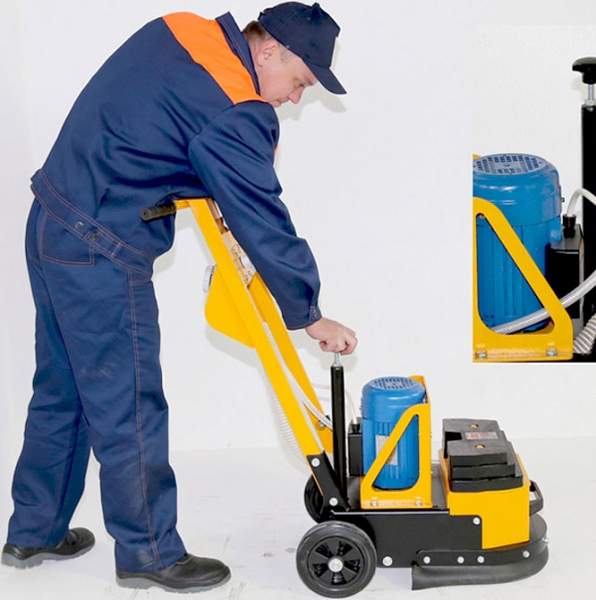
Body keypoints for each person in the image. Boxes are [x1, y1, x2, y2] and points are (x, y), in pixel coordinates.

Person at [1, 2, 356, 593]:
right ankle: (148, 552)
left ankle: (33, 530)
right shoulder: (237, 108)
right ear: (269, 50)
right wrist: (309, 313)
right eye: (299, 82)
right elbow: (263, 216)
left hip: (51, 220)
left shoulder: (182, 28)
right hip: (100, 248)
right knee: (130, 403)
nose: (295, 99)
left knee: (63, 388)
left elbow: (155, 123)